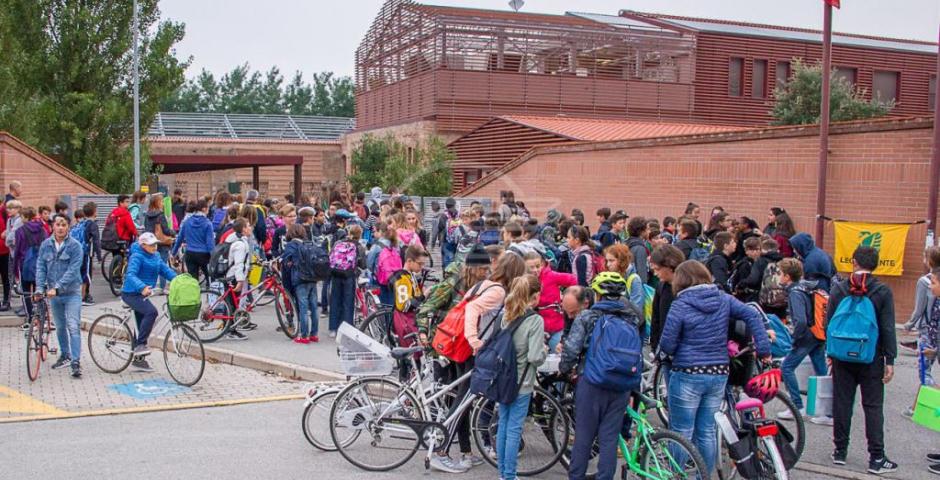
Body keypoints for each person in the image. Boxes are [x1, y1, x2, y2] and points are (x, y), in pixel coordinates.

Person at [660, 260, 771, 476]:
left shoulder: (680, 304)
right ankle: (705, 475)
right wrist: (764, 348)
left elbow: (667, 344)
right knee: (707, 430)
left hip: (687, 372)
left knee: (681, 430)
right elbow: (752, 314)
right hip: (718, 371)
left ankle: (676, 474)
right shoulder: (723, 298)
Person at [561, 272, 643, 480]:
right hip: (622, 383)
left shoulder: (588, 317)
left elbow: (571, 349)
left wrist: (564, 368)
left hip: (592, 382)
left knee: (584, 437)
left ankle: (576, 476)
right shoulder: (631, 318)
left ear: (597, 295)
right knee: (609, 437)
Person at [828, 246, 898, 475]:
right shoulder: (882, 291)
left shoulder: (840, 288)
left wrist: (830, 353)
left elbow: (830, 322)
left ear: (854, 262)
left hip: (841, 354)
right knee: (873, 406)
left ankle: (839, 451)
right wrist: (890, 359)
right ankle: (876, 457)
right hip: (871, 356)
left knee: (842, 402)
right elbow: (887, 327)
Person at [494, 274, 547, 480]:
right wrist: (543, 350)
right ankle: (509, 475)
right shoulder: (534, 320)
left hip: (503, 378)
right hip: (523, 381)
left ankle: (502, 472)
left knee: (503, 425)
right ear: (534, 297)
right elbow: (535, 357)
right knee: (515, 429)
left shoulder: (507, 314)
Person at [776, 258, 830, 423]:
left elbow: (800, 320)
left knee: (787, 367)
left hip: (806, 336)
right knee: (821, 370)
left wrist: (794, 338)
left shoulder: (795, 293)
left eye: (779, 273)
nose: (778, 276)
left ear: (787, 276)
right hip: (818, 333)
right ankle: (827, 411)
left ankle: (796, 406)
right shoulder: (808, 287)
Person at [35, 215, 85, 378]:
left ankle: (76, 362)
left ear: (68, 227)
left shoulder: (75, 246)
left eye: (64, 224)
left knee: (73, 326)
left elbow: (73, 270)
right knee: (60, 326)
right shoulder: (45, 245)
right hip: (53, 295)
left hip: (71, 293)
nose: (61, 227)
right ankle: (65, 354)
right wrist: (39, 287)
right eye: (58, 224)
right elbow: (41, 267)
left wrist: (57, 287)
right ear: (53, 227)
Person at [120, 232, 177, 372]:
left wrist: (179, 281)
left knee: (142, 325)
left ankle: (139, 360)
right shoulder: (137, 256)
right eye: (151, 245)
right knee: (151, 312)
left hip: (144, 294)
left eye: (155, 244)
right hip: (131, 293)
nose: (154, 247)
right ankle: (140, 346)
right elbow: (131, 275)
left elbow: (165, 270)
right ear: (143, 245)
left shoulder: (156, 256)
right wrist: (142, 287)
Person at [524, 251, 576, 352]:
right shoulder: (523, 281)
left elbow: (573, 280)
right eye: (531, 267)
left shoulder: (551, 276)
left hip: (557, 324)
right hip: (536, 327)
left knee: (558, 356)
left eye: (538, 266)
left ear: (542, 264)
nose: (535, 270)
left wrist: (566, 298)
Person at [281, 224, 319, 343]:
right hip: (312, 278)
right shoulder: (308, 244)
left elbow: (286, 266)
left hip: (300, 279)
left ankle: (304, 335)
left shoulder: (291, 246)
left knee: (303, 308)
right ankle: (314, 334)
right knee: (313, 307)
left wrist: (287, 285)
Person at [329, 225, 367, 334]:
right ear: (360, 235)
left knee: (335, 300)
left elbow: (331, 255)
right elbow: (363, 264)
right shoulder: (359, 246)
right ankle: (347, 329)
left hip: (336, 274)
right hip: (349, 276)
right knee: (348, 302)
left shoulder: (338, 243)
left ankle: (333, 328)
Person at [15, 207, 48, 321]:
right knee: (40, 291)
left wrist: (16, 270)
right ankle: (42, 317)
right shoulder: (42, 229)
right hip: (40, 265)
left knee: (26, 293)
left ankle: (29, 318)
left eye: (21, 216)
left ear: (25, 217)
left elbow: (17, 251)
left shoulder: (20, 231)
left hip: (25, 265)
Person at [649, 245, 684, 352]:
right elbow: (656, 318)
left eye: (658, 269)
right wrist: (655, 345)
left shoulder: (687, 288)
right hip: (664, 347)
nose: (655, 273)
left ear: (670, 265)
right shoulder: (661, 286)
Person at [171, 199, 214, 283]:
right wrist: (213, 256)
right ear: (204, 209)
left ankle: (194, 294)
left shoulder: (187, 222)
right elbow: (210, 243)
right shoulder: (207, 223)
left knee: (193, 281)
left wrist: (173, 252)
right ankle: (210, 292)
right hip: (204, 254)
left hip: (190, 253)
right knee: (210, 278)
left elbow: (179, 238)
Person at [224, 218, 254, 340]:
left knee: (231, 302)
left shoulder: (236, 239)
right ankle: (230, 331)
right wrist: (240, 280)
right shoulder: (240, 244)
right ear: (243, 229)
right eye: (248, 225)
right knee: (232, 303)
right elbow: (239, 264)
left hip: (231, 275)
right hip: (234, 277)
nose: (250, 228)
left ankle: (229, 328)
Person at [144, 194, 175, 294]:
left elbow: (146, 228)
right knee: (163, 265)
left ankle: (150, 286)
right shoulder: (160, 215)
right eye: (161, 202)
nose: (162, 204)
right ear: (157, 203)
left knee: (151, 264)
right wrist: (173, 232)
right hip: (162, 243)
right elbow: (165, 230)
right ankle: (162, 287)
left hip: (151, 242)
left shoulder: (147, 214)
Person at [604, 244, 645, 316]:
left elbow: (636, 311)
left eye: (611, 260)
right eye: (607, 261)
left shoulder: (634, 279)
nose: (608, 264)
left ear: (621, 260)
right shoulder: (610, 277)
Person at [625, 216, 650, 284]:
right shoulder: (640, 249)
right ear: (641, 231)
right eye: (647, 229)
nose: (649, 231)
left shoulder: (627, 244)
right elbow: (641, 273)